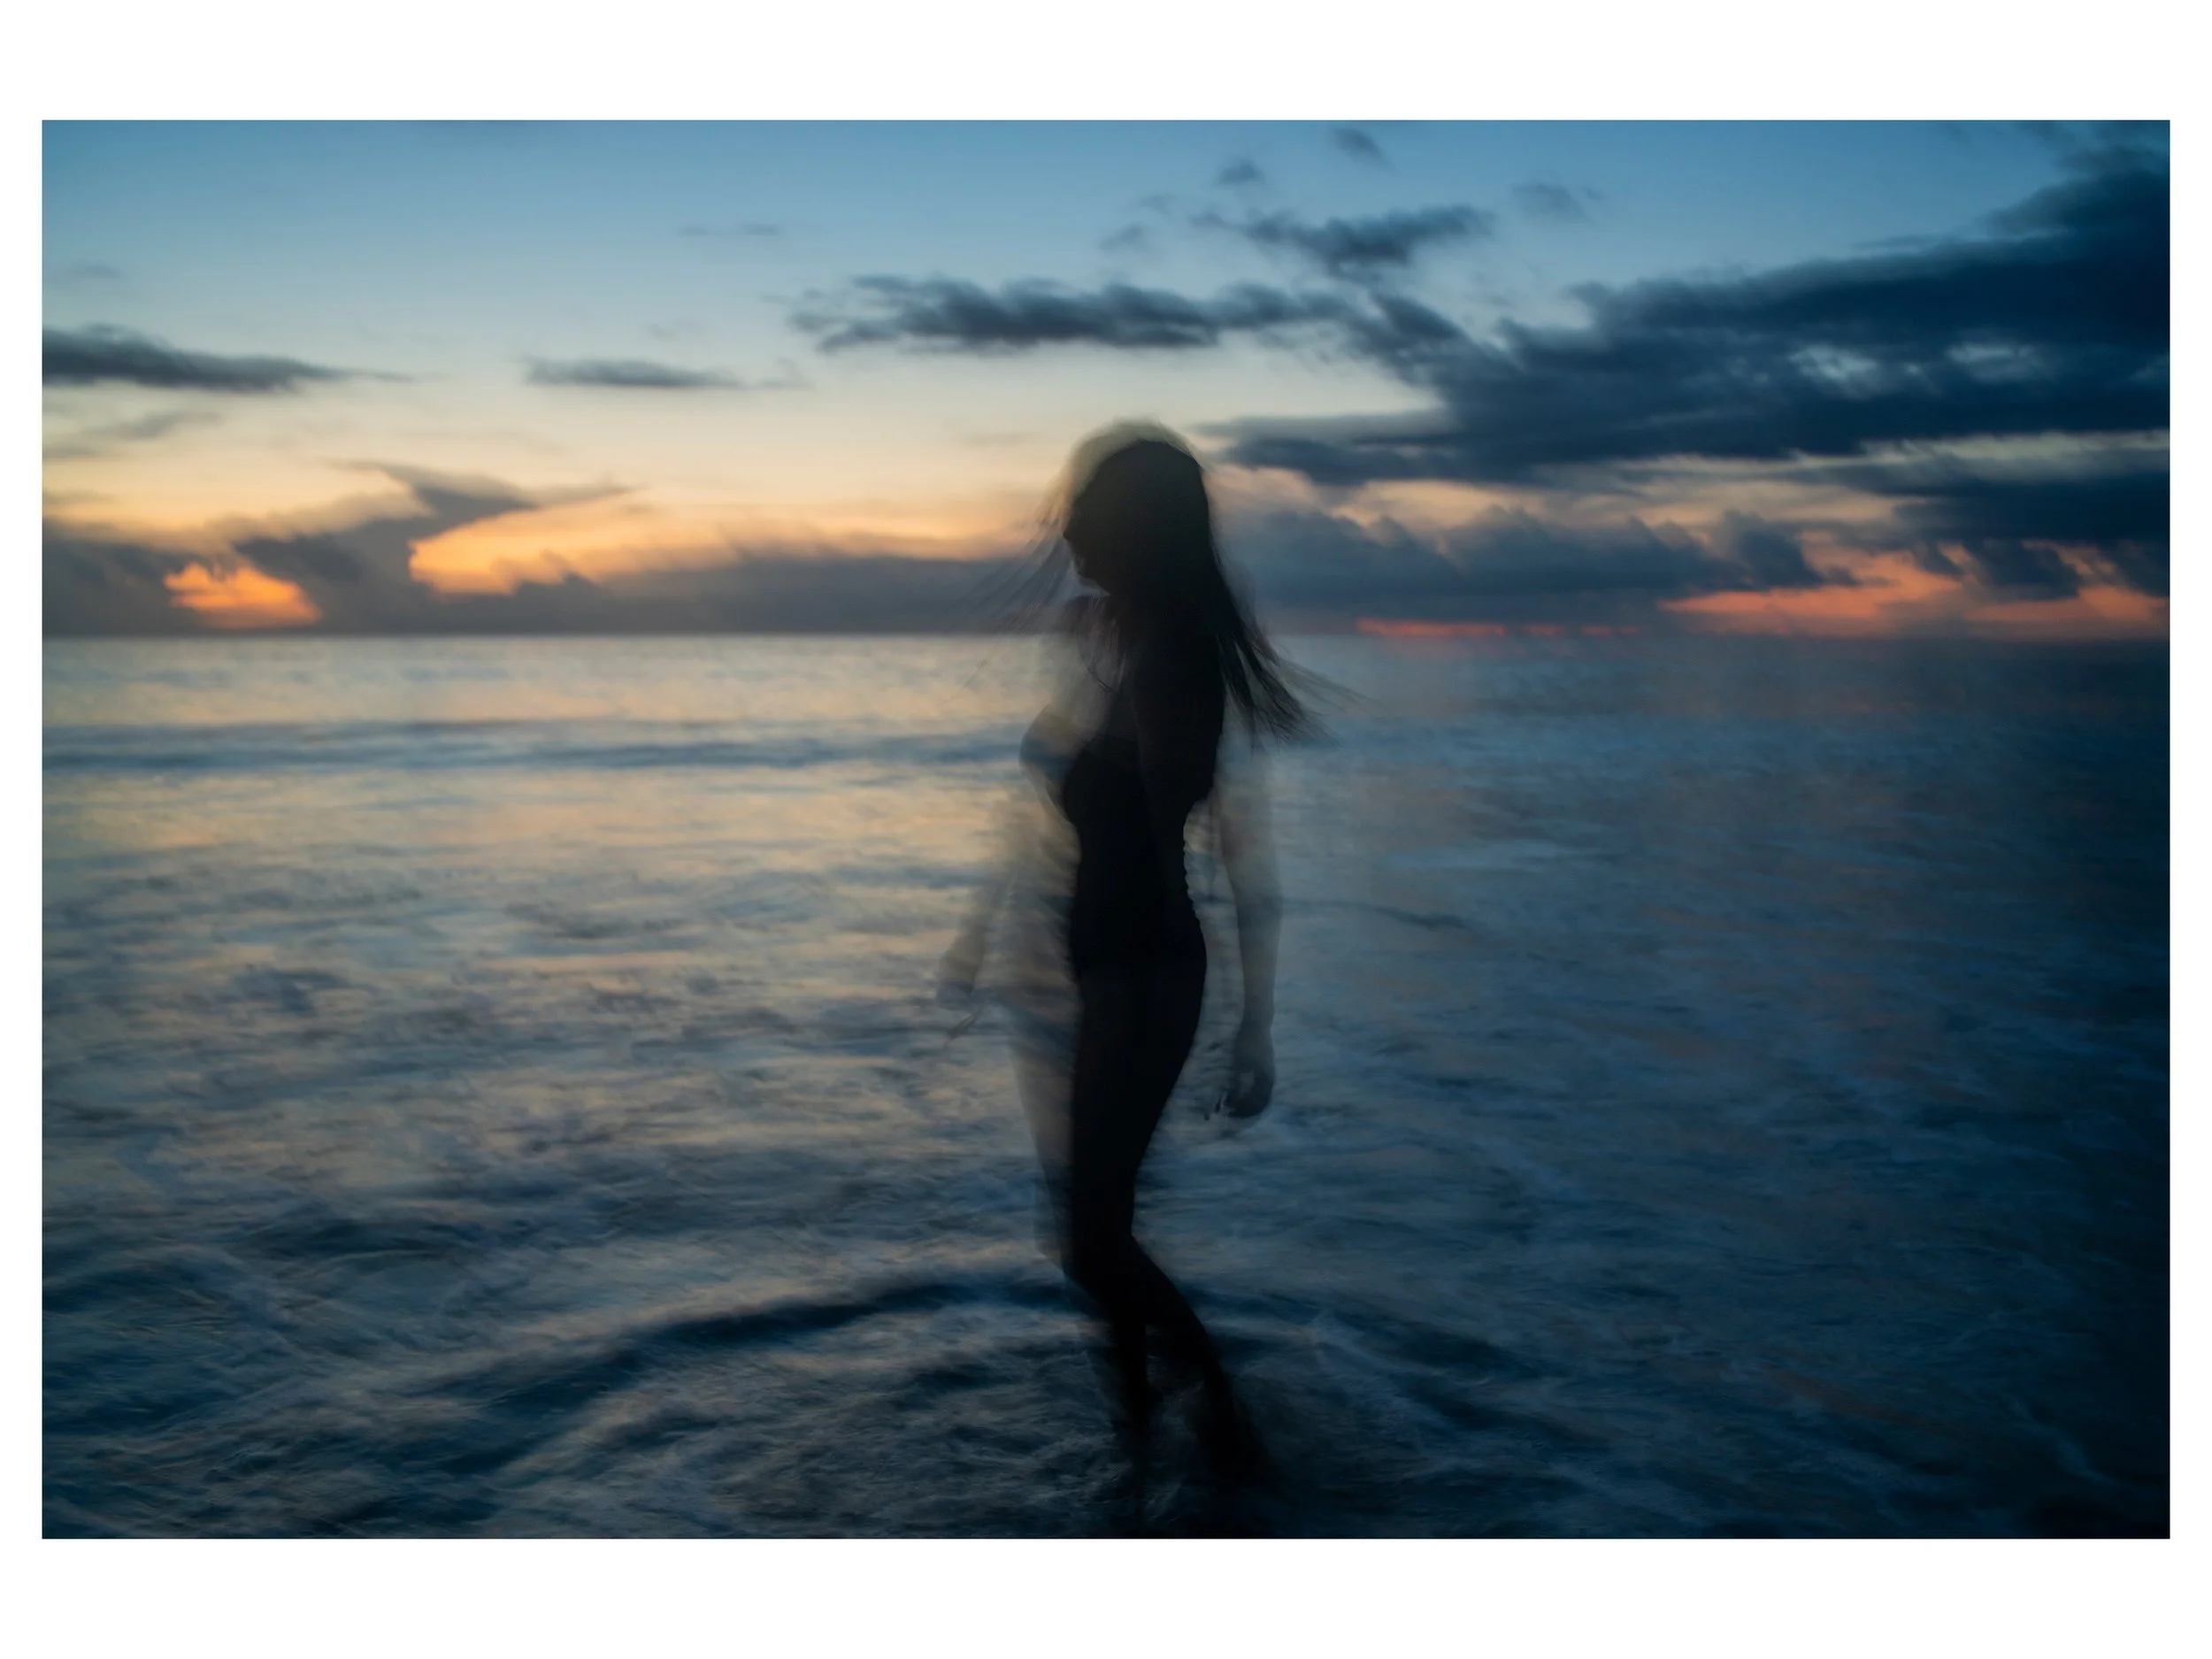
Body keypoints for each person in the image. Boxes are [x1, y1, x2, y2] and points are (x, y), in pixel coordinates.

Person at [940, 425, 1309, 1474]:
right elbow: (1066, 816)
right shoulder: (1128, 641)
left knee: (1091, 1241)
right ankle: (1138, 1439)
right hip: (1108, 966)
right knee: (1091, 1234)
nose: (1067, 537)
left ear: (1136, 532)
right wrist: (981, 937)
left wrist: (1252, 1029)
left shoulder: (1172, 663)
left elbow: (1222, 851)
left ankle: (1224, 1429)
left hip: (1142, 972)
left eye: (1088, 519)